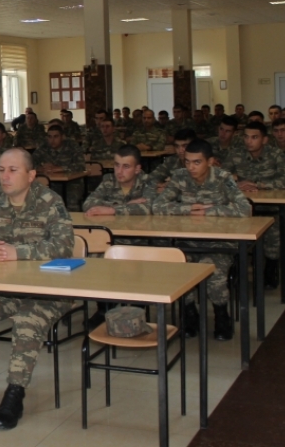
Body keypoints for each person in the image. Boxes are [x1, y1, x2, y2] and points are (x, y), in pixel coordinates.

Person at [0, 148, 74, 430]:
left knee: (27, 320)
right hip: (10, 288)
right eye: (1, 170)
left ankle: (14, 395)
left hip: (50, 291)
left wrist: (18, 252)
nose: (4, 176)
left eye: (12, 170)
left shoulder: (49, 201)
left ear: (31, 175)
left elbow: (64, 246)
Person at [153, 139, 251, 341]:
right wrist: (187, 208)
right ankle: (190, 315)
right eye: (188, 162)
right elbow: (158, 205)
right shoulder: (180, 176)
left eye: (197, 162)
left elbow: (245, 208)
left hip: (219, 244)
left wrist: (210, 211)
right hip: (186, 243)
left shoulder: (222, 178)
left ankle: (222, 317)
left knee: (214, 276)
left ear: (210, 161)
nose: (191, 167)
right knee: (179, 271)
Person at [80, 145, 157, 328]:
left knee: (134, 263)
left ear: (137, 169)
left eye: (126, 166)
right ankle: (104, 308)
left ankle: (137, 309)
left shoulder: (148, 182)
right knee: (95, 260)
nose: (119, 171)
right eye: (116, 165)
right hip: (111, 239)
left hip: (139, 241)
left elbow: (149, 207)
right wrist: (127, 206)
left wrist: (111, 209)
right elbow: (88, 204)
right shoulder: (108, 181)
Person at [223, 121, 285, 289]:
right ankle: (236, 268)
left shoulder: (275, 154)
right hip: (243, 208)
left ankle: (271, 267)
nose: (249, 141)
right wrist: (237, 184)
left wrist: (258, 184)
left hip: (270, 207)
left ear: (265, 139)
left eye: (254, 137)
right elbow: (220, 177)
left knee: (273, 231)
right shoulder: (236, 153)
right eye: (246, 137)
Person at [32, 124, 86, 209]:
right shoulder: (43, 147)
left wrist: (61, 168)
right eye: (50, 137)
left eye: (56, 136)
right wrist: (40, 168)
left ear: (63, 137)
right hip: (50, 183)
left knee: (72, 203)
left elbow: (81, 165)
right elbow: (29, 163)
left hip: (72, 183)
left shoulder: (72, 146)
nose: (52, 140)